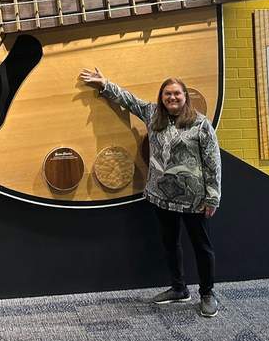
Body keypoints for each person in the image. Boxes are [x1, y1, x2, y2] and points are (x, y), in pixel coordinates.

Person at [79, 68, 222, 317]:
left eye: (176, 94)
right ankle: (179, 288)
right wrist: (105, 84)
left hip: (193, 200)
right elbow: (129, 100)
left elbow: (213, 162)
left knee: (202, 248)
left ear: (185, 96)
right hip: (160, 197)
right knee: (170, 244)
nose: (172, 98)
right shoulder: (153, 114)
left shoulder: (200, 124)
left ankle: (207, 293)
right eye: (167, 94)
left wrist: (213, 197)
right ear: (161, 97)